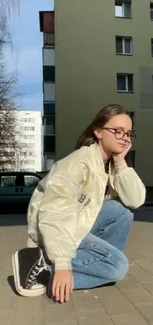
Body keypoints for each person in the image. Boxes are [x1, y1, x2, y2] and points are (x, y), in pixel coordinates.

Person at [12, 104, 146, 303]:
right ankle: (42, 267)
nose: (124, 137)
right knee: (119, 267)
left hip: (77, 226)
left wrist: (120, 163)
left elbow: (135, 200)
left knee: (121, 211)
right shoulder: (79, 162)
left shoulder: (110, 165)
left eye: (128, 133)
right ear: (98, 132)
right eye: (118, 131)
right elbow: (55, 211)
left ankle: (99, 266)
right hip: (53, 231)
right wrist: (63, 264)